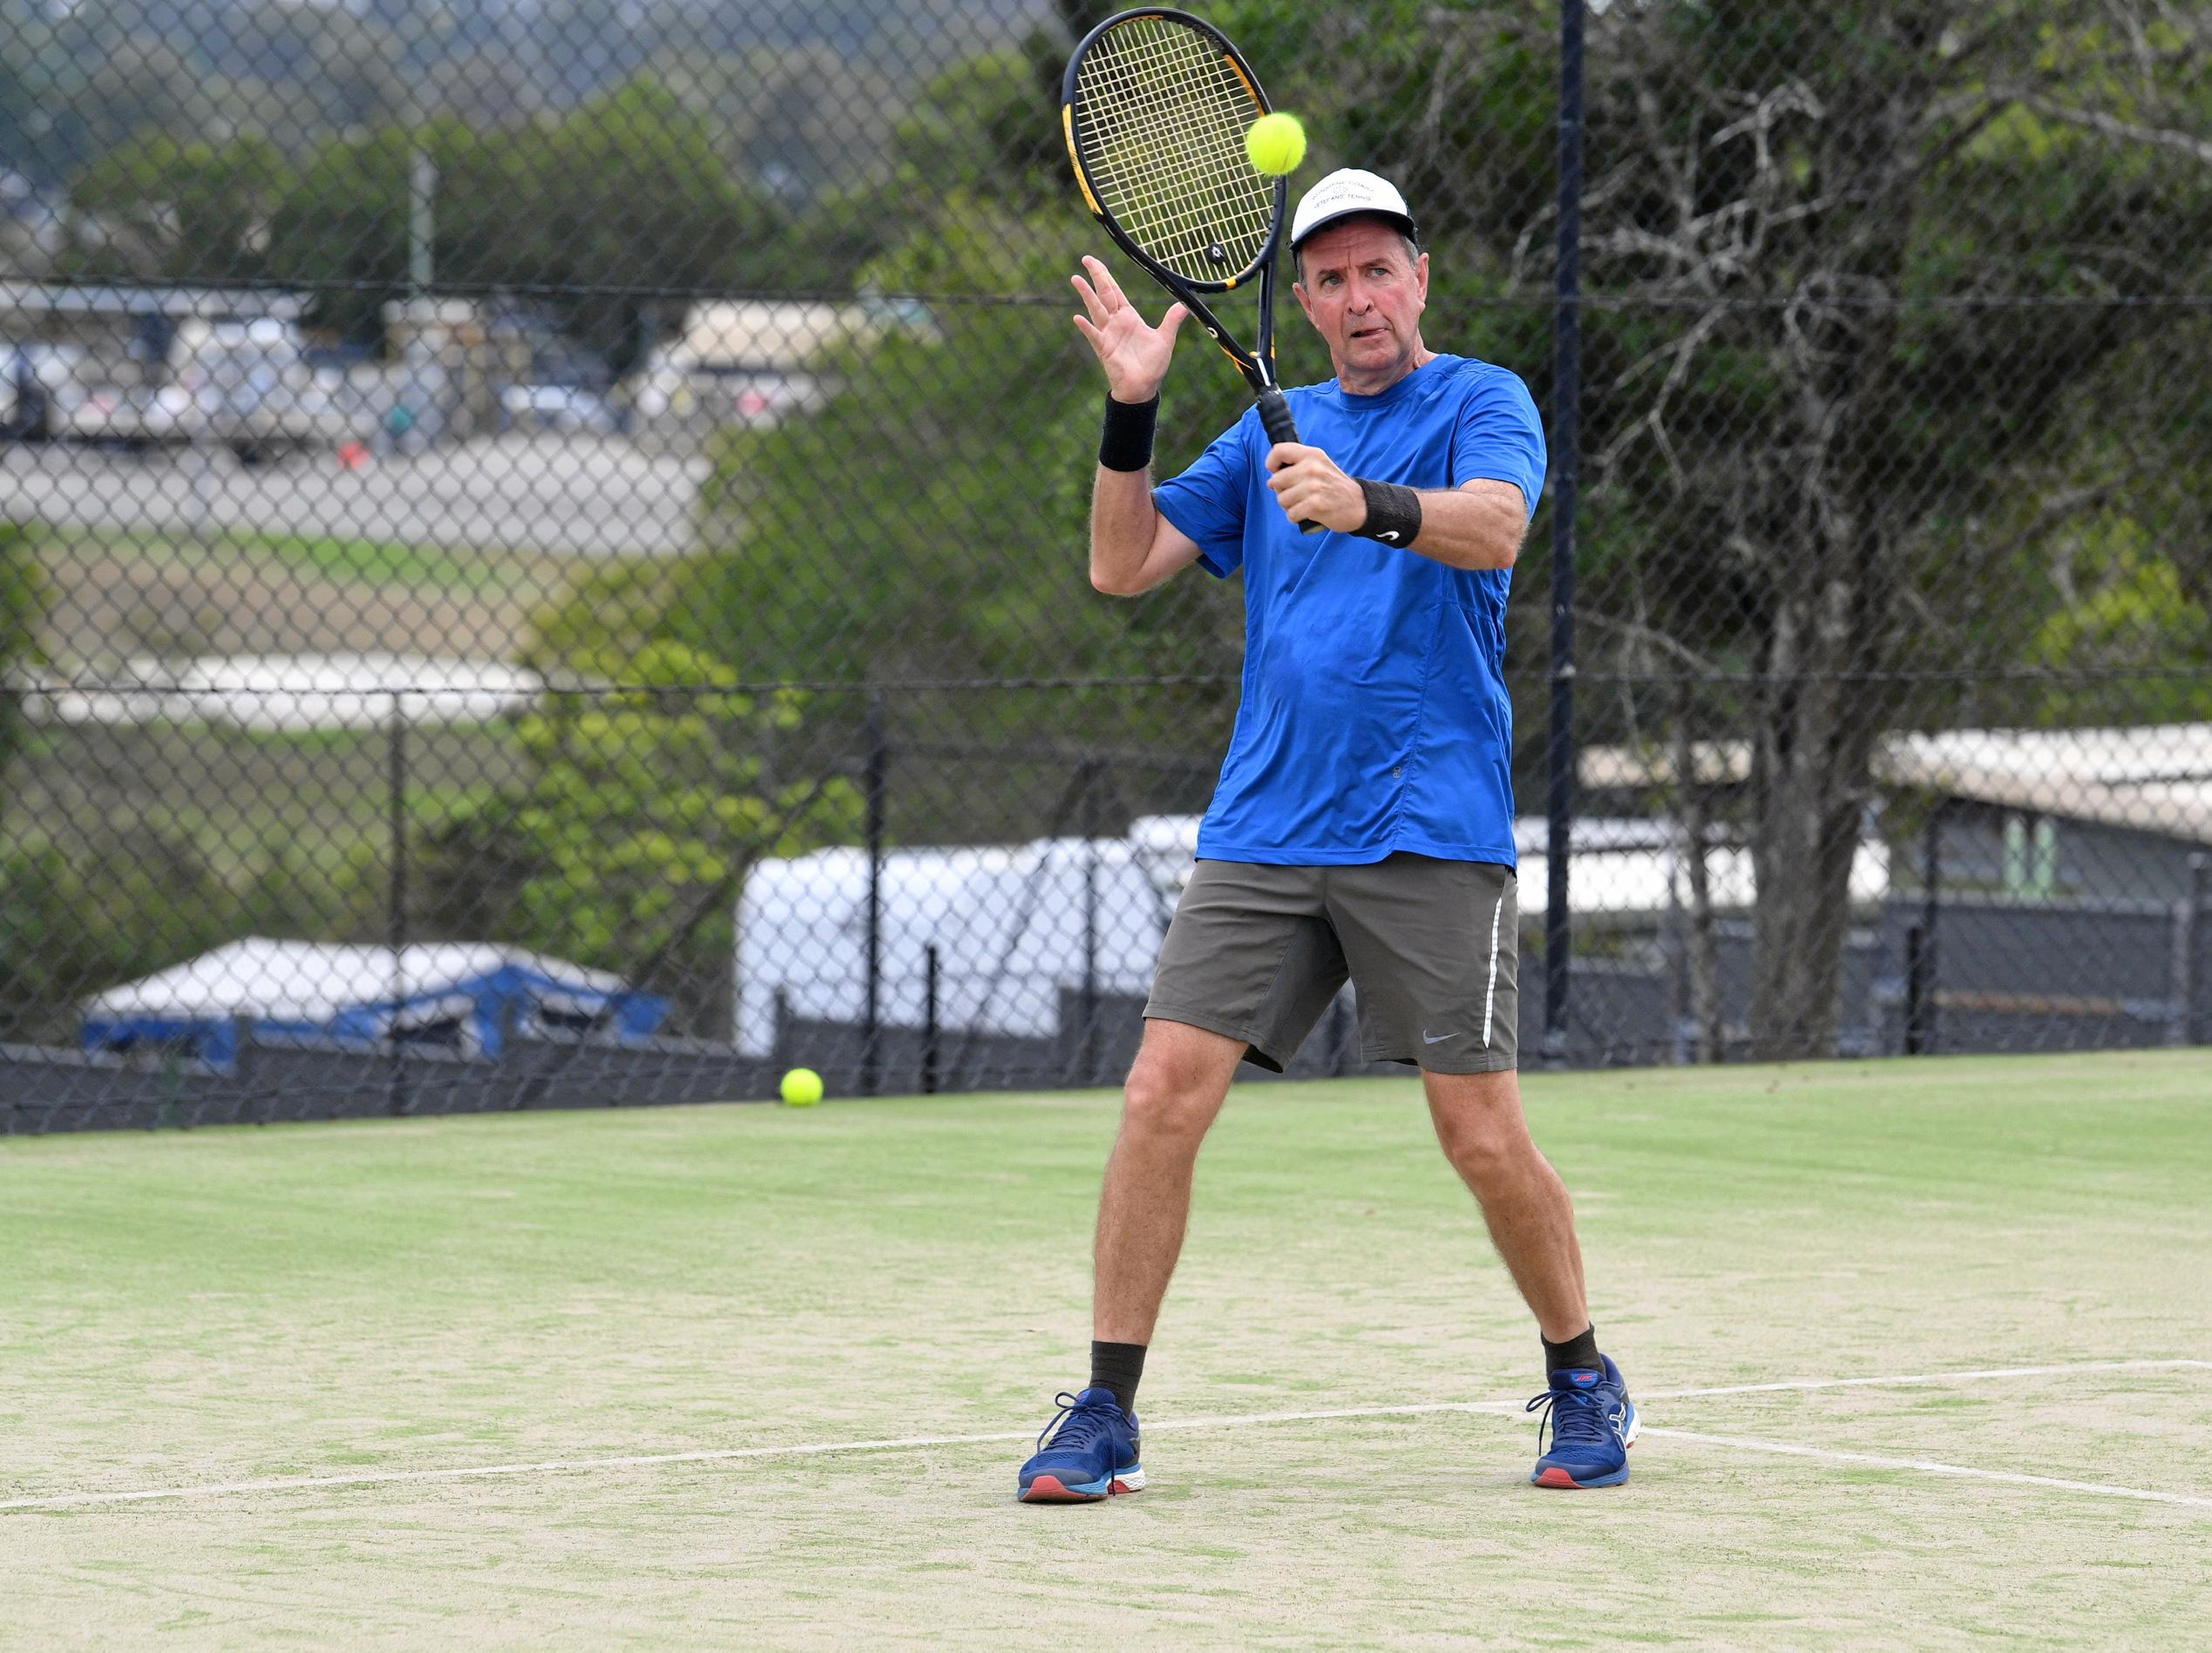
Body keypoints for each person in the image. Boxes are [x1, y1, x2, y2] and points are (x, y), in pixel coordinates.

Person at [1015, 171, 1635, 1503]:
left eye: (1378, 271)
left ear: (1419, 280)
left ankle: (1581, 1370)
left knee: (1478, 1135)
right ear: (1298, 303)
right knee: (1156, 1095)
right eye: (1331, 279)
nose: (1358, 298)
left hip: (1430, 827)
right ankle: (1106, 1411)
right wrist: (1130, 410)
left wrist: (1370, 503)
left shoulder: (1481, 400)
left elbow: (1499, 527)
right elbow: (1120, 565)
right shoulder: (1258, 439)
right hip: (1263, 831)